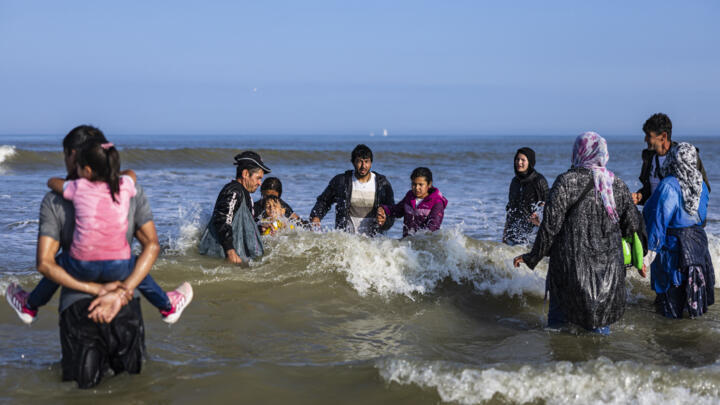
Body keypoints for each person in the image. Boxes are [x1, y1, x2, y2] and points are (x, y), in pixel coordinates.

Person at [3, 125, 159, 388]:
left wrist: (95, 289)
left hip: (79, 310)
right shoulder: (130, 192)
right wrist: (119, 293)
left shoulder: (56, 200)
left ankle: (30, 305)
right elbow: (151, 245)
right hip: (124, 304)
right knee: (133, 390)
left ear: (73, 154)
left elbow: (45, 262)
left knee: (82, 392)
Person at [513, 132, 645, 334]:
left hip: (568, 271)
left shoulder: (567, 182)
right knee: (599, 337)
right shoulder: (616, 185)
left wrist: (532, 257)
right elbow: (633, 226)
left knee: (559, 334)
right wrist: (640, 258)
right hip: (607, 273)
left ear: (578, 152)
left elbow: (550, 227)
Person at [643, 142, 714, 319]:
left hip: (674, 253)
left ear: (673, 160)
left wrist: (647, 258)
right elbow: (701, 218)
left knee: (669, 311)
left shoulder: (668, 185)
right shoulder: (701, 185)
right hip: (698, 249)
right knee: (692, 306)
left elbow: (658, 223)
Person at [198, 151, 270, 264]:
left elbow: (239, 224)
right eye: (258, 178)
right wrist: (230, 251)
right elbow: (222, 220)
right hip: (224, 255)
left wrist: (258, 229)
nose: (260, 183)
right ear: (245, 174)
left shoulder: (243, 193)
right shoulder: (234, 191)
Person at [310, 144, 394, 236]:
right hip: (347, 239)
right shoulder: (341, 181)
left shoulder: (382, 184)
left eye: (366, 162)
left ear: (371, 163)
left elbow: (392, 210)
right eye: (359, 162)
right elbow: (324, 201)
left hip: (373, 242)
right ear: (353, 162)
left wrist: (385, 221)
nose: (363, 166)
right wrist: (316, 216)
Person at [632, 113, 710, 205]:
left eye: (649, 135)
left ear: (663, 137)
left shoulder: (684, 156)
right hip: (656, 216)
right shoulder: (649, 157)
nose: (645, 139)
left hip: (678, 217)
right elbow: (650, 191)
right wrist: (640, 196)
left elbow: (704, 189)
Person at [377, 167, 447, 237]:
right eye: (414, 184)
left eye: (420, 184)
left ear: (429, 184)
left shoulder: (437, 202)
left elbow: (433, 227)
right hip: (407, 243)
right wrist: (383, 209)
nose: (416, 188)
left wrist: (417, 240)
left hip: (425, 243)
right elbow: (397, 211)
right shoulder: (409, 197)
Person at [502, 147, 549, 245]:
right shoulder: (514, 182)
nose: (519, 162)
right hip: (513, 232)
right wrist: (505, 233)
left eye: (523, 160)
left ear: (530, 162)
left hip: (532, 234)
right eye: (517, 159)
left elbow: (548, 205)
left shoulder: (539, 180)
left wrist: (539, 219)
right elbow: (510, 208)